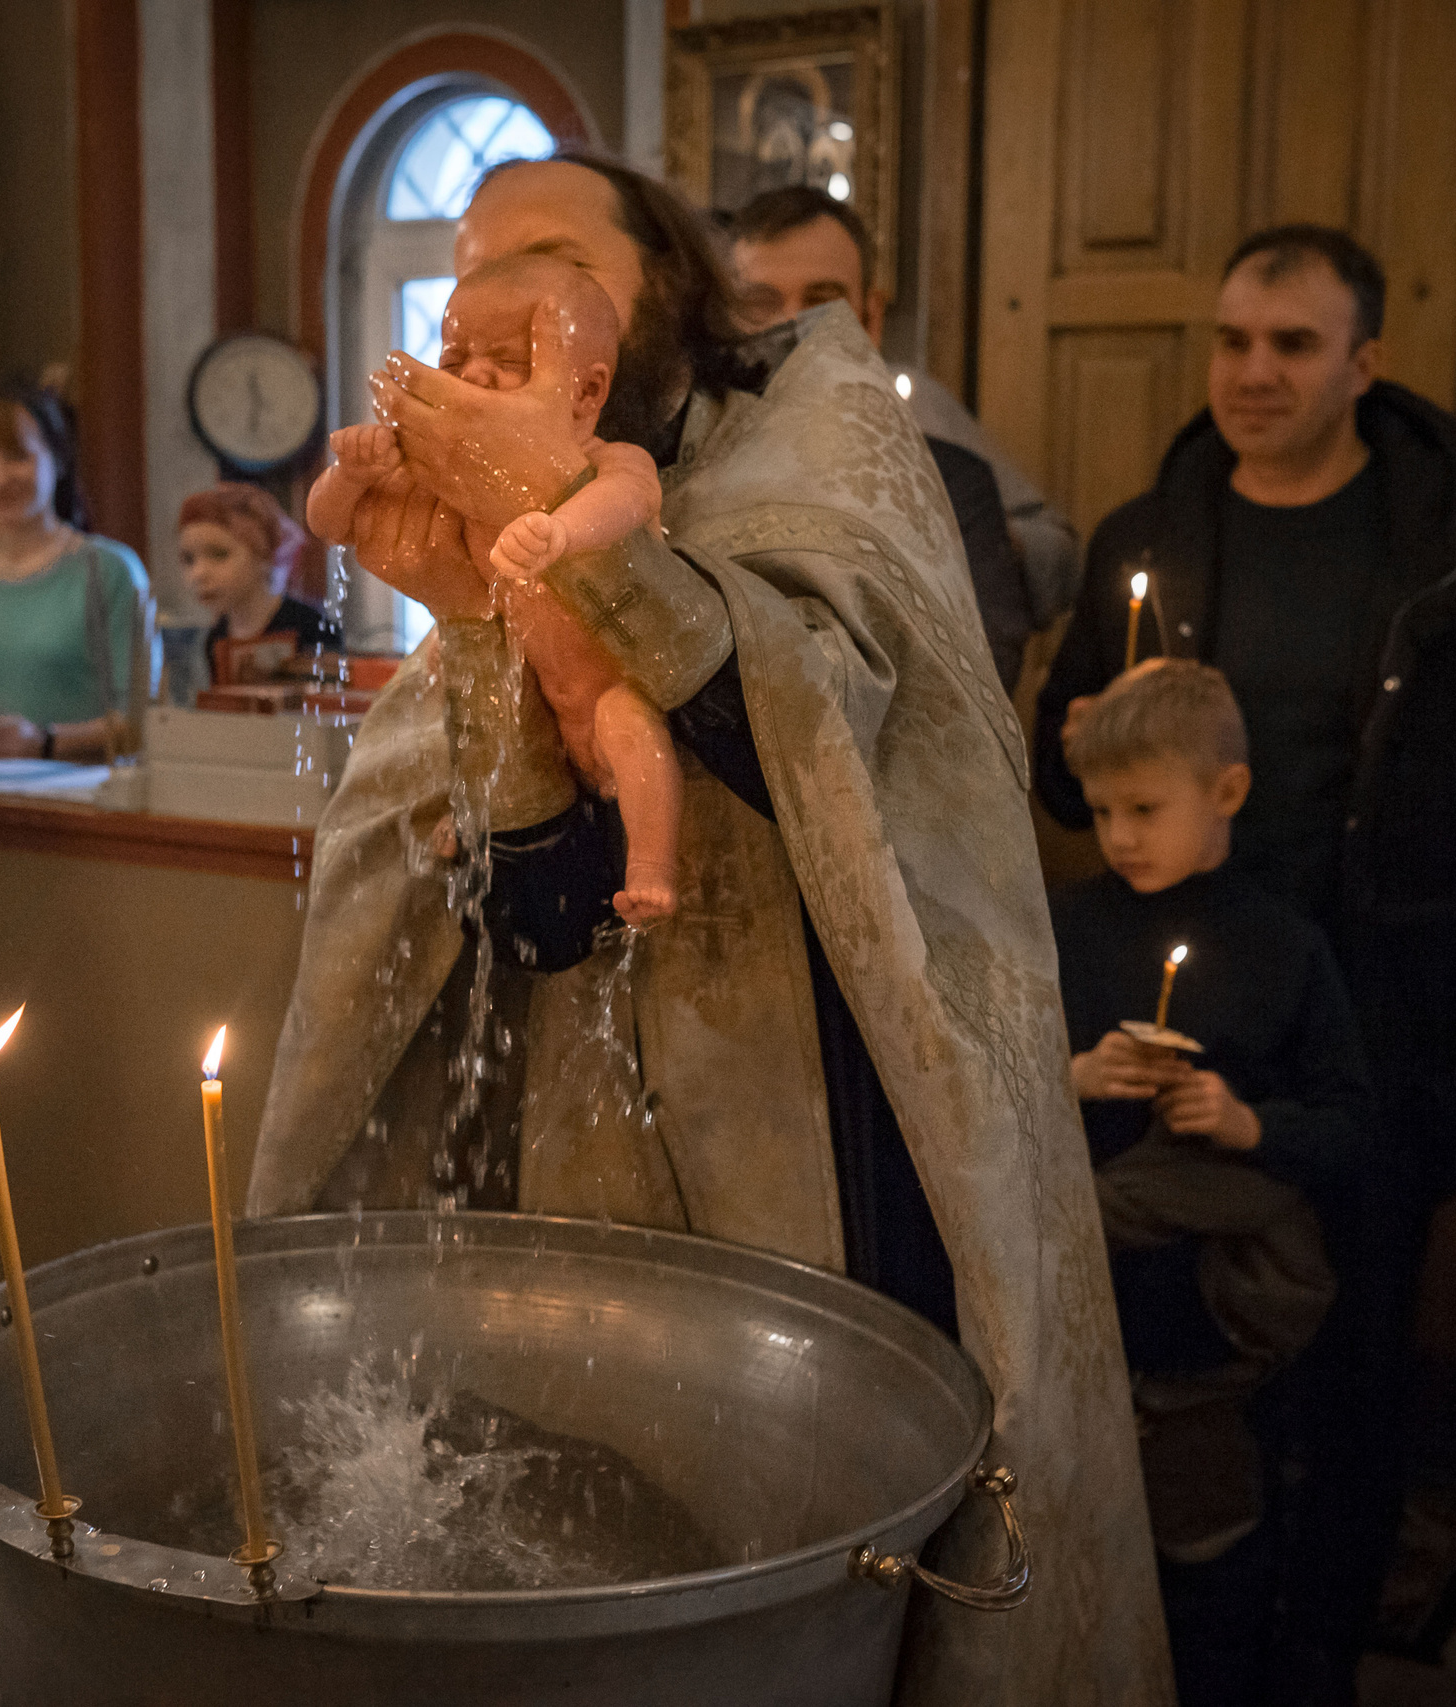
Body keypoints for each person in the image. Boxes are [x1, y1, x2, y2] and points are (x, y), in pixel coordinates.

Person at [247, 152, 1171, 1702]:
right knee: (598, 1554)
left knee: (849, 1568)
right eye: (470, 261)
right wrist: (489, 627)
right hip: (584, 1153)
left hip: (835, 1117)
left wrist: (573, 529)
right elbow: (529, 911)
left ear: (670, 282)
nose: (495, 283)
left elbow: (845, 739)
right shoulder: (507, 511)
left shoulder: (829, 445)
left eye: (546, 244)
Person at [1031, 223, 1456, 1702]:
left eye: (1290, 343)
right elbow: (1060, 767)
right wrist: (1092, 711)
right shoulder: (1153, 532)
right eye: (1232, 340)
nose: (1253, 371)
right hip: (1174, 1004)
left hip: (1380, 1013)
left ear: (1365, 361)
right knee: (1164, 1342)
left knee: (1350, 1363)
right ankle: (1164, 1636)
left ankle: (1316, 1654)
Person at [1053, 660, 1371, 1707]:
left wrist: (1241, 1122)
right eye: (1101, 811)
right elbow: (990, 1089)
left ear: (1225, 794)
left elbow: (1352, 1129)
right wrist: (1077, 1076)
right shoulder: (1067, 923)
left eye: (1146, 808)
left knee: (1209, 1558)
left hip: (1211, 1322)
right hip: (1086, 1315)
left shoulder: (1282, 944)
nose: (1121, 835)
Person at [309, 255, 679, 923]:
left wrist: (560, 527)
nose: (474, 375)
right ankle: (477, 816)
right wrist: (353, 476)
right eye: (455, 361)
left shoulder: (610, 461)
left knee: (632, 725)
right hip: (537, 710)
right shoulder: (453, 487)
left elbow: (626, 504)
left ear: (587, 393)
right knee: (455, 704)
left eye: (507, 360)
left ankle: (651, 863)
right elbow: (330, 527)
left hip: (607, 698)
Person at [727, 185, 1080, 690]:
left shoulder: (938, 450)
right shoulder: (693, 453)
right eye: (761, 303)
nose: (790, 327)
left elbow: (981, 672)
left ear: (870, 316)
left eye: (820, 302)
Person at [0, 379, 155, 760]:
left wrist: (44, 742)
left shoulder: (110, 569)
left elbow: (145, 717)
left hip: (89, 799)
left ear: (57, 458)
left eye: (17, 456)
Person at [180, 480, 342, 674]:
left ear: (264, 555)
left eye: (219, 554)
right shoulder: (215, 638)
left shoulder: (313, 629)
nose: (198, 574)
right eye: (189, 559)